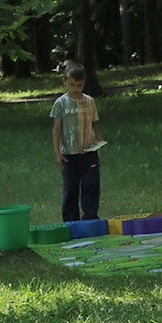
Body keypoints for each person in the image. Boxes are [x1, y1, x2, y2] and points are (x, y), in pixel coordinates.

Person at [50, 64, 104, 222]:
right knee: (70, 189)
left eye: (79, 85)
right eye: (72, 84)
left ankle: (90, 218)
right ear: (65, 82)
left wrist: (99, 140)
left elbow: (94, 124)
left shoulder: (89, 101)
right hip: (68, 154)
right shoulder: (60, 103)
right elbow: (56, 129)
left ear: (84, 84)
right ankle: (70, 221)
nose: (75, 88)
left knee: (91, 187)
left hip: (88, 152)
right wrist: (57, 153)